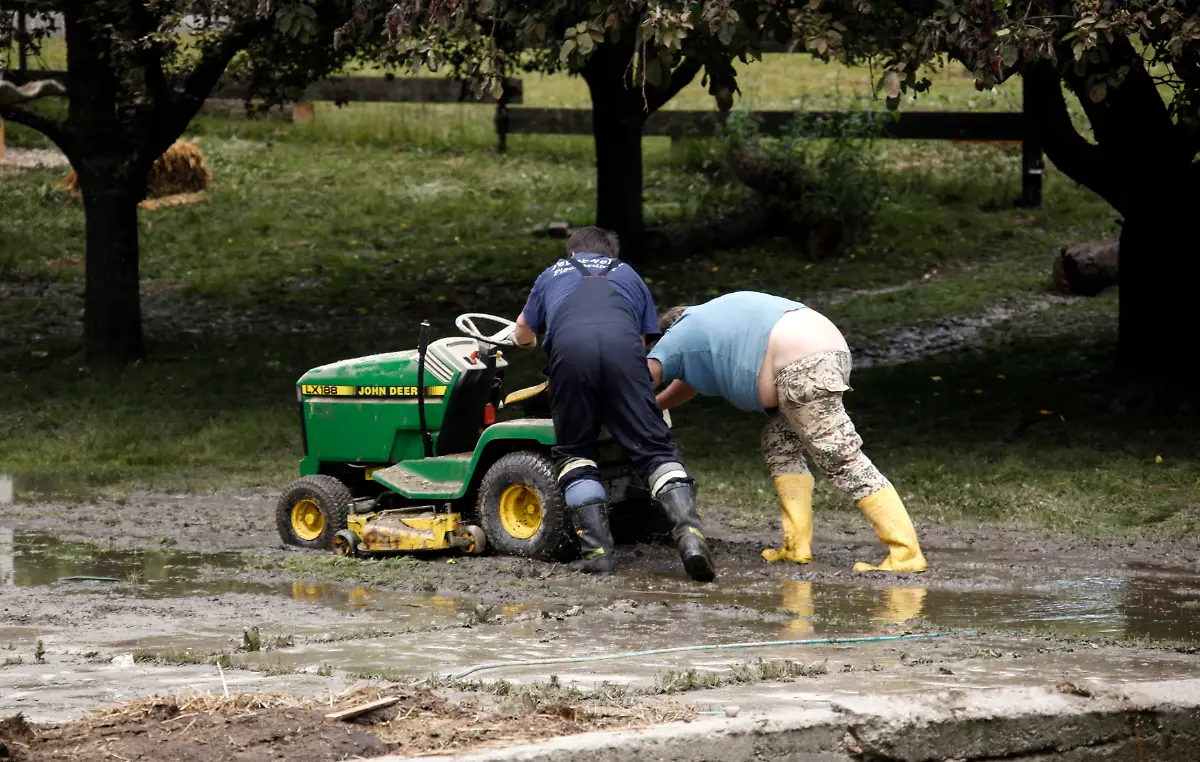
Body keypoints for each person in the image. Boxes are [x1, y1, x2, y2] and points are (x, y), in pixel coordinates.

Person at [646, 291, 927, 573]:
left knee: (842, 458)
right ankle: (796, 547)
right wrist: (657, 406)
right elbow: (688, 383)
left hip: (802, 365)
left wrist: (633, 410)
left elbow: (645, 375)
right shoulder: (709, 324)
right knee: (780, 447)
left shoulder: (678, 333)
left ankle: (906, 553)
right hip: (826, 351)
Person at [511, 227, 715, 581]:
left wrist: (528, 345)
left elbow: (522, 331)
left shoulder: (552, 273)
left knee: (575, 453)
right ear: (611, 253)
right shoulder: (629, 274)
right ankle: (691, 538)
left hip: (571, 356)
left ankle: (598, 553)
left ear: (572, 253)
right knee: (655, 450)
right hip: (625, 354)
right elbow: (639, 340)